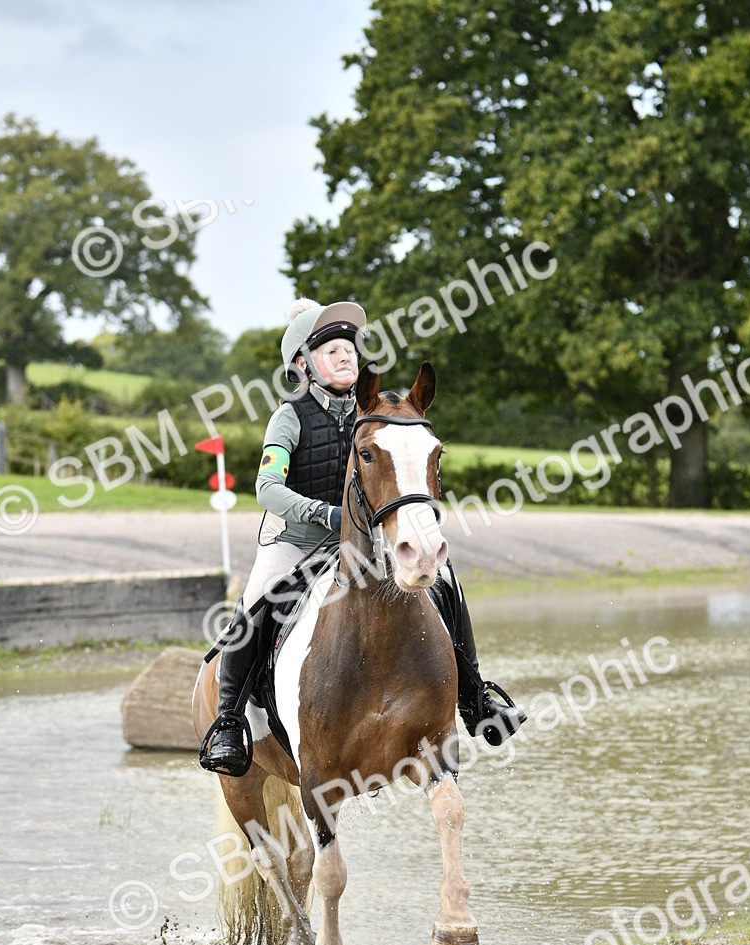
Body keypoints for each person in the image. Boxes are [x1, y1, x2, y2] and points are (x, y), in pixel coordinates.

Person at [199, 297, 526, 777]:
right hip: (295, 537)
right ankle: (228, 722)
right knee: (254, 605)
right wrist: (323, 514)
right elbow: (267, 488)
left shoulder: (374, 410)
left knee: (446, 579)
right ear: (301, 365)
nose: (347, 356)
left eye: (350, 348)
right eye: (332, 349)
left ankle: (474, 695)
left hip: (360, 536)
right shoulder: (288, 419)